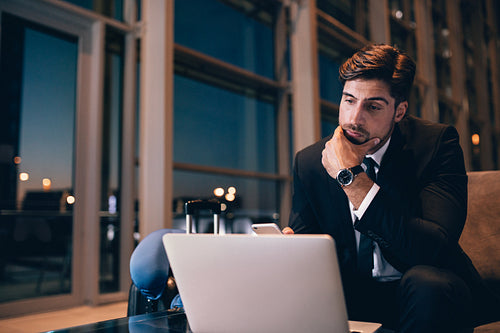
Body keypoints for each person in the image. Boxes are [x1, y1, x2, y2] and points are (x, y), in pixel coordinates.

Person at [284, 44, 499, 332]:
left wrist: (352, 179)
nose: (354, 119)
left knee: (427, 282)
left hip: (425, 297)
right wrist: (289, 248)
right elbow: (308, 241)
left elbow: (431, 249)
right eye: (349, 100)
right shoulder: (310, 161)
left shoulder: (436, 145)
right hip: (353, 298)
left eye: (372, 106)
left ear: (399, 112)